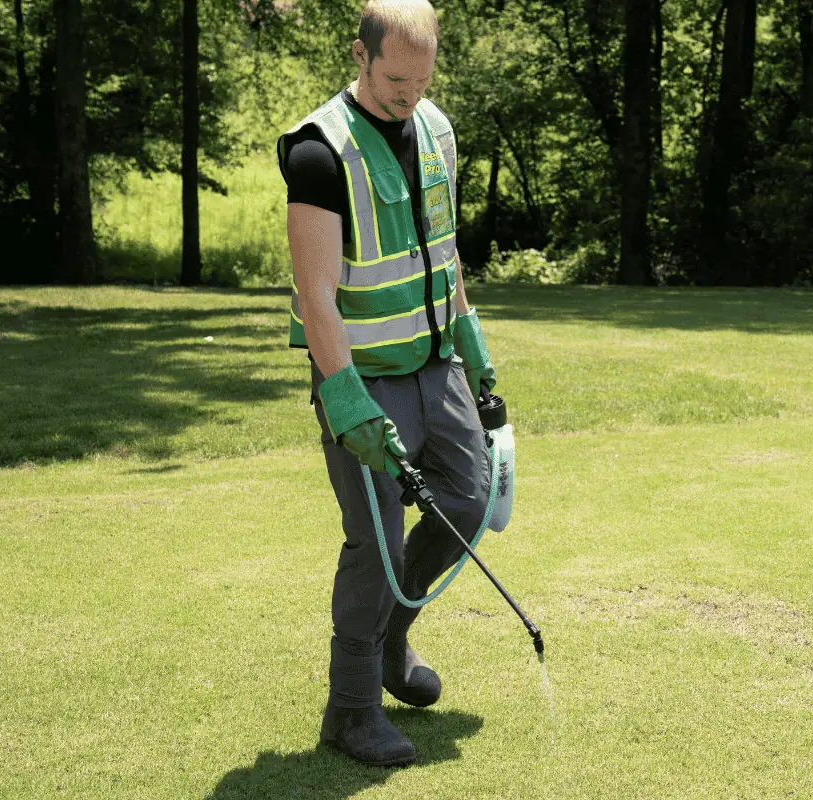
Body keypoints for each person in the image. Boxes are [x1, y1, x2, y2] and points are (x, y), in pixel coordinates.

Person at [277, 0, 498, 768]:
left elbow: (445, 249)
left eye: (422, 78)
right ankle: (351, 709)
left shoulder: (436, 130)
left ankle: (392, 631)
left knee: (469, 502)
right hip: (364, 374)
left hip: (435, 365)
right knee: (374, 540)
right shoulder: (319, 152)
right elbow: (316, 294)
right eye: (395, 78)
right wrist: (345, 399)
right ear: (360, 55)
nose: (409, 94)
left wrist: (473, 345)